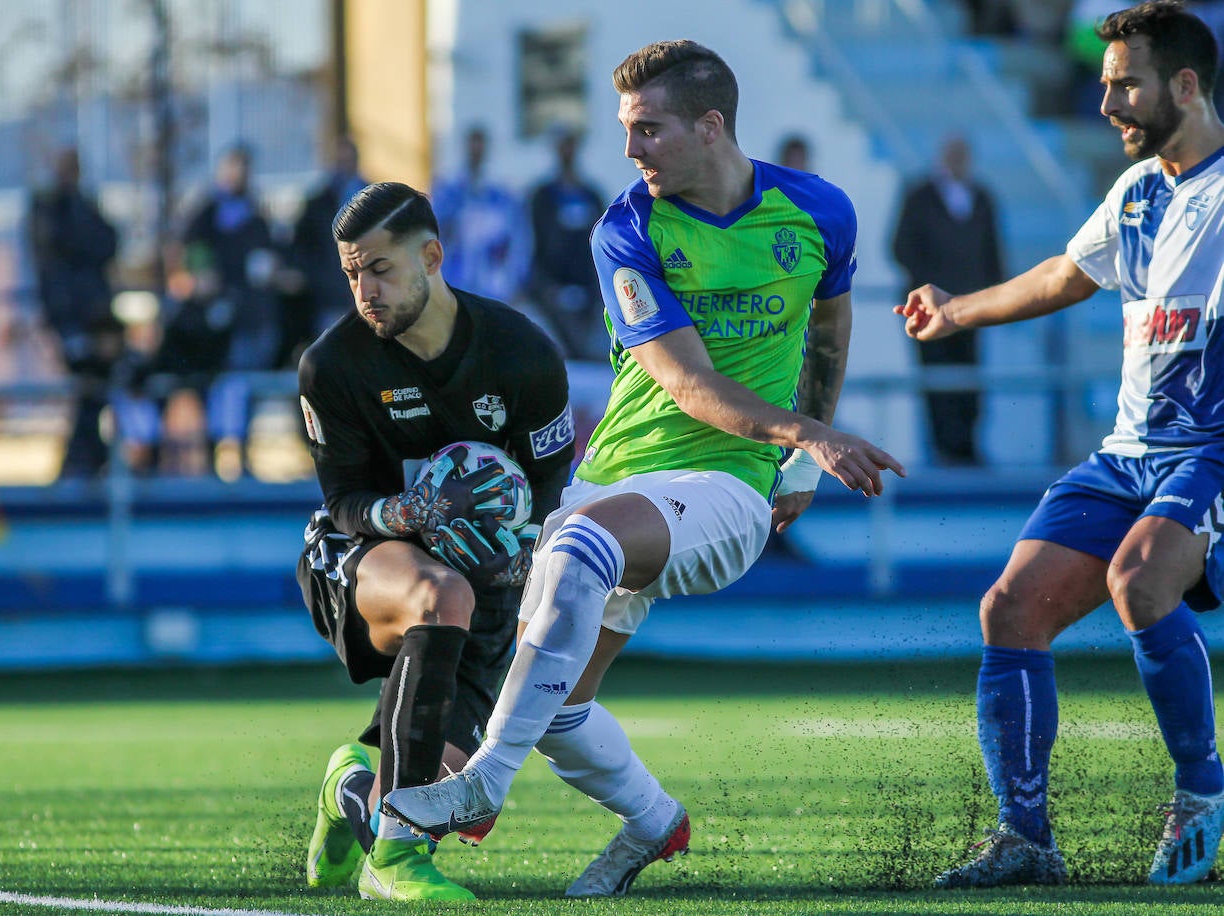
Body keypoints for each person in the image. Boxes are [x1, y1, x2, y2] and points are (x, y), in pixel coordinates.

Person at [384, 40, 904, 898]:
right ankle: (657, 823)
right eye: (626, 130)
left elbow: (830, 332)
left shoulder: (820, 211)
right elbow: (687, 382)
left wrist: (801, 459)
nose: (630, 151)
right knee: (554, 704)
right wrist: (811, 433)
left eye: (648, 130)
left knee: (579, 550)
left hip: (729, 486)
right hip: (619, 474)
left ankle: (479, 787)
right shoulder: (626, 228)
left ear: (711, 126)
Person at [894, 0, 1224, 888]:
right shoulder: (1140, 190)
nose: (1107, 101)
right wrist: (955, 308)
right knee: (1010, 609)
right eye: (1106, 82)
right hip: (1128, 450)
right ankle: (1025, 839)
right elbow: (1062, 276)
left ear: (1185, 85)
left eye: (1126, 85)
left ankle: (1201, 795)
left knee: (1140, 580)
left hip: (1212, 446)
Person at [296, 181, 574, 901]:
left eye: (380, 269)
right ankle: (394, 860)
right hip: (357, 559)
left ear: (431, 256)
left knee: (442, 784)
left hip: (485, 574)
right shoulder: (333, 366)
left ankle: (351, 786)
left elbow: (550, 487)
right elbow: (345, 501)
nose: (365, 290)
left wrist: (522, 559)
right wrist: (415, 512)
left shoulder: (523, 354)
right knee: (435, 592)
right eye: (353, 272)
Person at [890, 133, 1006, 466]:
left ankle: (967, 446)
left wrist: (990, 293)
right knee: (937, 376)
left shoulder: (981, 197)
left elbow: (993, 251)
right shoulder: (920, 196)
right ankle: (943, 448)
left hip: (971, 308)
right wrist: (932, 288)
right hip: (928, 312)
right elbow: (901, 246)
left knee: (970, 377)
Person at [176, 143, 280, 477]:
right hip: (213, 323)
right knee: (213, 387)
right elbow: (190, 256)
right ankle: (211, 456)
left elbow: (270, 257)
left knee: (246, 387)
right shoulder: (205, 215)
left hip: (249, 318)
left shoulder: (256, 215)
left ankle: (242, 454)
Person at [27, 147, 123, 478]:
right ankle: (79, 462)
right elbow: (57, 256)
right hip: (71, 318)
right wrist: (62, 319)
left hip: (94, 317)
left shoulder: (84, 206)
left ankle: (83, 461)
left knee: (95, 391)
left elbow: (109, 242)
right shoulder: (50, 209)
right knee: (86, 389)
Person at [281, 136, 368, 370]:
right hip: (329, 300)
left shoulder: (372, 196)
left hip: (368, 296)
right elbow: (300, 247)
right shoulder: (317, 203)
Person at [526, 127, 607, 360]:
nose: (567, 151)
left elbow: (600, 245)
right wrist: (544, 286)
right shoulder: (542, 196)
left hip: (587, 292)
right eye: (562, 145)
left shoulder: (591, 195)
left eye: (571, 144)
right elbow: (534, 241)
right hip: (551, 291)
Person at [431, 125, 529, 304]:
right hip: (455, 285)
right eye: (473, 144)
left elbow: (518, 241)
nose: (476, 150)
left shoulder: (501, 196)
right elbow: (435, 232)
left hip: (493, 288)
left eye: (480, 144)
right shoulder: (449, 193)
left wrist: (517, 280)